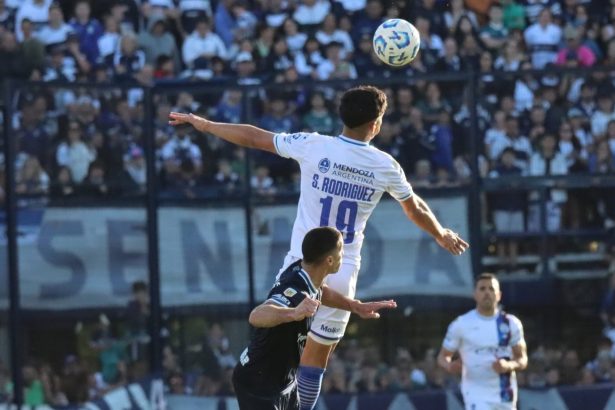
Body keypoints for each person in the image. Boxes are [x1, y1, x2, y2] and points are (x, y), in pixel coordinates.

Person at [169, 85, 469, 409]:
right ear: (376, 124)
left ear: (342, 116)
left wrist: (206, 124)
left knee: (275, 350)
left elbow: (256, 137)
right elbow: (415, 209)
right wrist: (440, 234)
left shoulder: (313, 145)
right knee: (314, 362)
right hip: (341, 268)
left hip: (301, 266)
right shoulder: (384, 165)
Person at [232, 226, 396, 410]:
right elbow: (256, 315)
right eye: (341, 249)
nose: (344, 253)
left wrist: (354, 306)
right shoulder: (293, 290)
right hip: (258, 384)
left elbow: (321, 292)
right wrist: (293, 313)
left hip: (285, 382)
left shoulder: (308, 273)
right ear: (330, 260)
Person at [437, 273, 528, 410]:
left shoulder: (511, 324)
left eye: (491, 289)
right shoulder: (461, 324)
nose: (487, 293)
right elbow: (443, 357)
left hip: (505, 395)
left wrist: (508, 365)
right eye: (482, 289)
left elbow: (522, 359)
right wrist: (450, 366)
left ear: (499, 295)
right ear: (475, 294)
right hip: (475, 395)